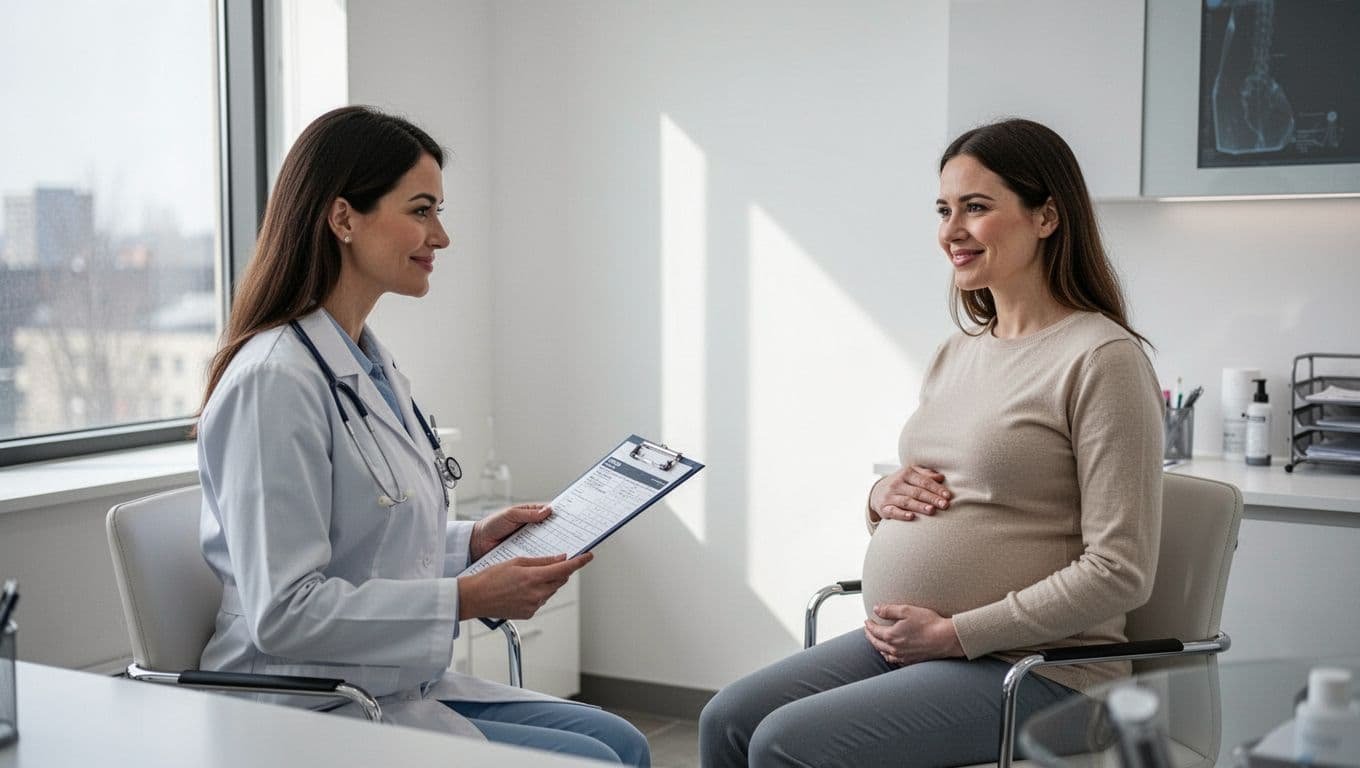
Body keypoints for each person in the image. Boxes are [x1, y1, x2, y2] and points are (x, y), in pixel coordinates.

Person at [699, 118, 1164, 767]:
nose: (951, 231)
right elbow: (957, 490)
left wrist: (956, 634)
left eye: (976, 207)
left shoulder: (1102, 358)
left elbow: (1120, 571)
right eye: (944, 209)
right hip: (920, 644)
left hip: (1042, 673)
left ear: (1047, 217)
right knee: (728, 720)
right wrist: (881, 495)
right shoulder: (961, 351)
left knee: (785, 742)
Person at [196, 105, 649, 766]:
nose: (441, 237)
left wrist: (474, 543)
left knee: (620, 739)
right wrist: (466, 597)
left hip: (383, 683)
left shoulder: (367, 365)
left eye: (439, 211)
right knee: (602, 759)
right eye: (420, 210)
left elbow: (366, 546)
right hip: (306, 701)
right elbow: (285, 614)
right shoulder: (275, 384)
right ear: (343, 217)